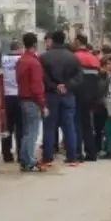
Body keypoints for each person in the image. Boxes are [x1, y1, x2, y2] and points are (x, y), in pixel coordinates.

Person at [40, 30, 83, 167]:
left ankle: (48, 158)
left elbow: (42, 77)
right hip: (68, 95)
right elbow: (79, 77)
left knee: (49, 126)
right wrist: (67, 86)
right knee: (69, 126)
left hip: (51, 95)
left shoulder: (44, 57)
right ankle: (72, 158)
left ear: (52, 40)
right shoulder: (73, 57)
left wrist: (54, 86)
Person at [14, 32, 46, 172]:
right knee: (32, 132)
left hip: (23, 98)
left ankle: (24, 159)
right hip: (32, 101)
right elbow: (37, 85)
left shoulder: (21, 60)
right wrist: (43, 104)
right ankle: (30, 161)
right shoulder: (34, 62)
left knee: (27, 131)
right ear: (35, 44)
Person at [72, 35, 104, 162]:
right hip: (92, 97)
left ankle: (78, 153)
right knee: (88, 125)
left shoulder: (75, 57)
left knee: (77, 124)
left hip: (78, 95)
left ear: (78, 42)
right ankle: (91, 152)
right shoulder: (94, 59)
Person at [1, 40, 23, 163]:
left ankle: (7, 154)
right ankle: (20, 153)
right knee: (20, 127)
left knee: (7, 127)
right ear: (20, 48)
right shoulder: (22, 59)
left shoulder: (3, 60)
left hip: (6, 96)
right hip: (19, 96)